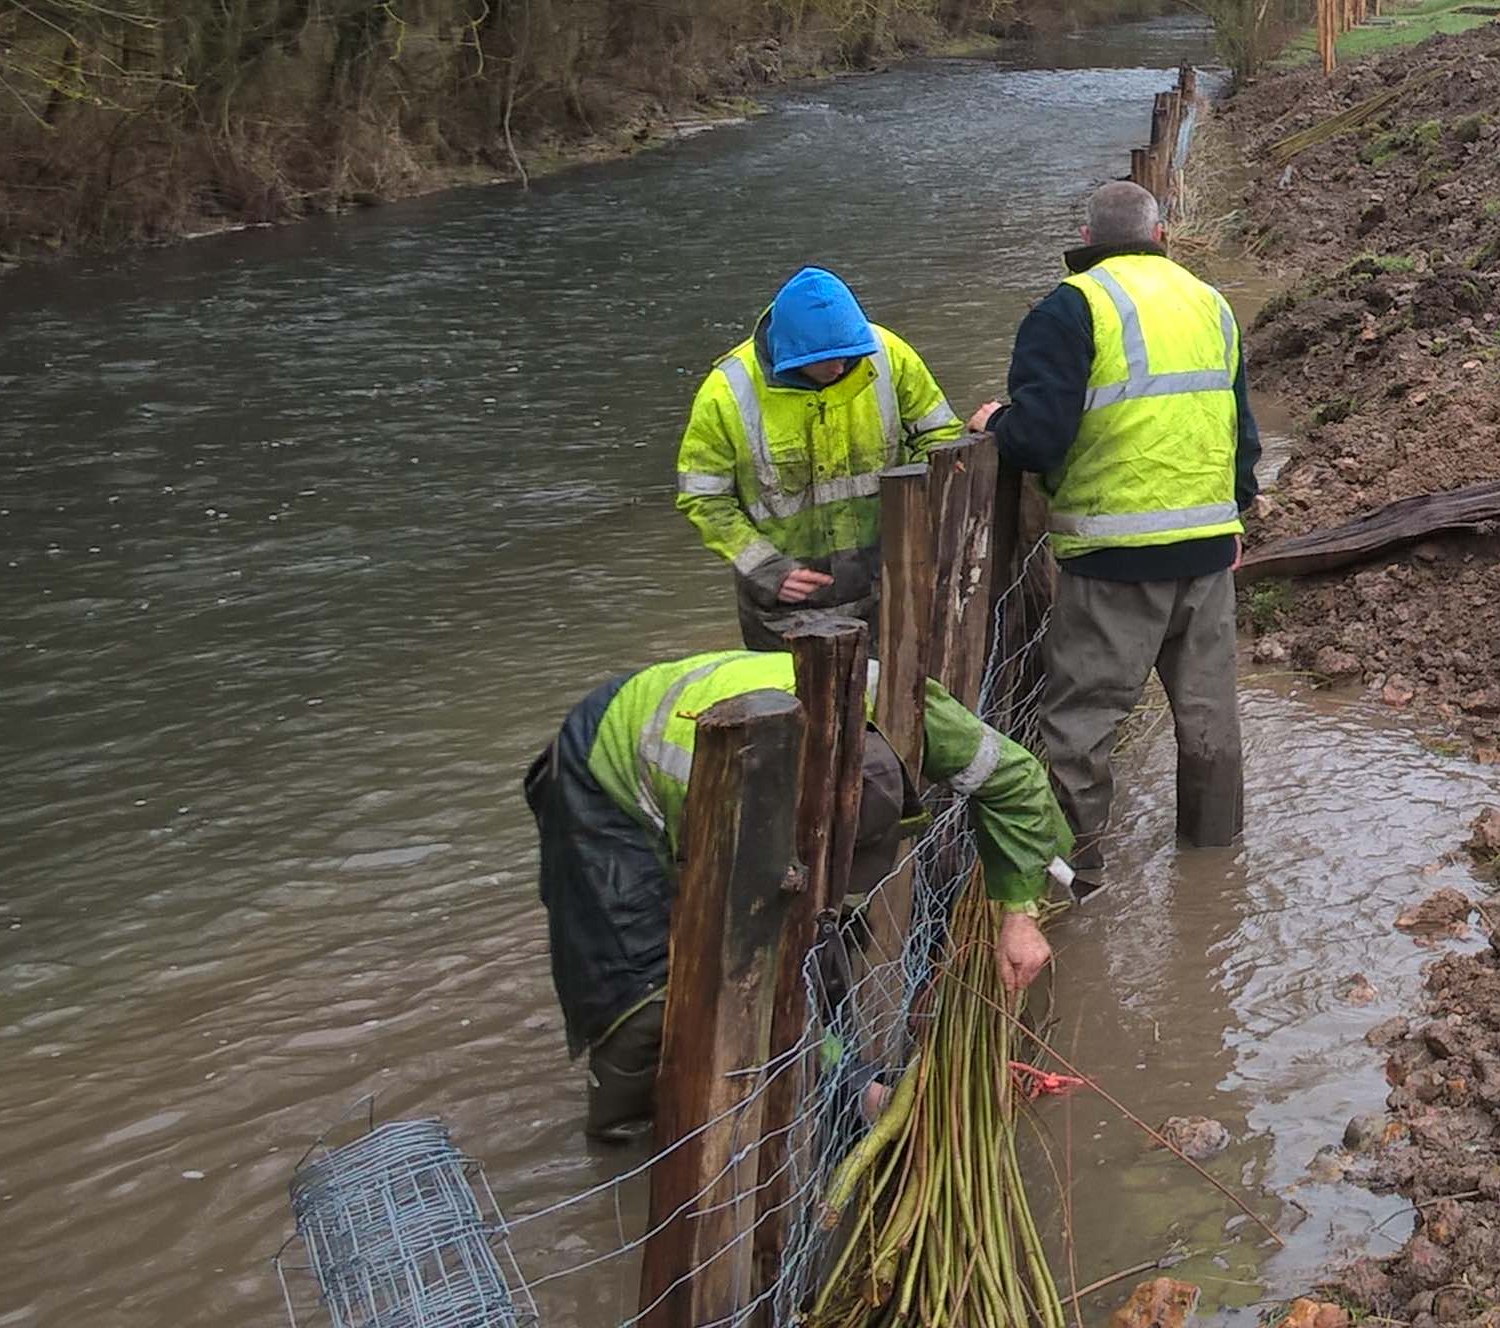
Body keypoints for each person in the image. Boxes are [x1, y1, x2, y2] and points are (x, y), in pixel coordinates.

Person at [521, 650, 1069, 1139]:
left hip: (709, 719)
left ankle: (826, 1083)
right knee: (643, 995)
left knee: (836, 930)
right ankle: (627, 1134)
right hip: (609, 769)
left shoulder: (900, 705)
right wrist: (853, 1088)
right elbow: (758, 972)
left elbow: (1016, 781)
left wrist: (1020, 915)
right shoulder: (732, 810)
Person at [966, 180, 1257, 892]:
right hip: (1209, 547)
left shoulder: (1071, 308)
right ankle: (1213, 867)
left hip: (1113, 556)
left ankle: (1076, 875)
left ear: (1087, 242)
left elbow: (1037, 438)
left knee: (1082, 725)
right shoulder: (1211, 304)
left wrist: (990, 425)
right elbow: (1239, 434)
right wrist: (1235, 515)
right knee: (1210, 717)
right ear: (1162, 235)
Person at [675, 266, 960, 650]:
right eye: (827, 359)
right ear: (789, 354)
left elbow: (941, 438)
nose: (840, 367)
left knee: (890, 703)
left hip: (886, 586)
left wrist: (917, 529)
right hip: (784, 608)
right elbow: (704, 499)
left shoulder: (887, 356)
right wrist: (766, 568)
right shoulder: (727, 393)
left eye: (848, 355)